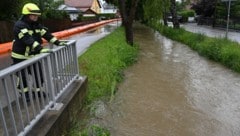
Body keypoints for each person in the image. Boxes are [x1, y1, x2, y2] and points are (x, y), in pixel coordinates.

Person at [11, 3, 66, 101]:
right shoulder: (19, 26)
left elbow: (47, 34)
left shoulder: (36, 25)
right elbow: (27, 39)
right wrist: (40, 49)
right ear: (27, 15)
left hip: (32, 56)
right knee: (22, 76)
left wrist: (58, 42)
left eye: (37, 15)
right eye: (33, 15)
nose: (36, 17)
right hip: (20, 57)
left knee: (38, 74)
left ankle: (38, 91)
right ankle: (24, 94)